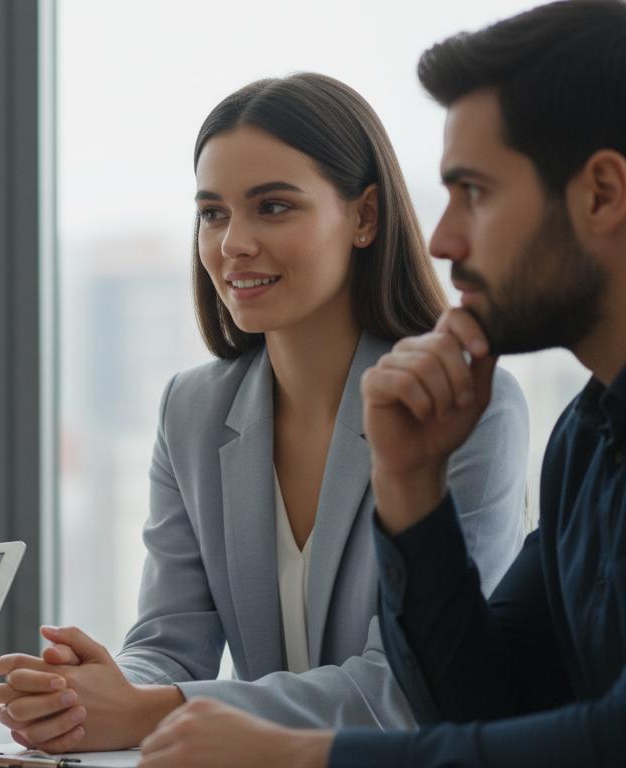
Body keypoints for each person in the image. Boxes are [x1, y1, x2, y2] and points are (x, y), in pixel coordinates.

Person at [134, 2, 626, 766]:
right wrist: (409, 483)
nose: (440, 238)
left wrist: (296, 756)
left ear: (601, 194)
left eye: (477, 193)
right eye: (211, 213)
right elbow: (477, 698)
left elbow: (605, 739)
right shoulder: (588, 439)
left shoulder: (529, 419)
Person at [0, 73, 530, 751]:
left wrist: (151, 709)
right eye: (213, 212)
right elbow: (169, 643)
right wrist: (87, 694)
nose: (232, 242)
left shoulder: (466, 403)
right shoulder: (193, 408)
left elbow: (410, 684)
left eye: (272, 207)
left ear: (364, 217)